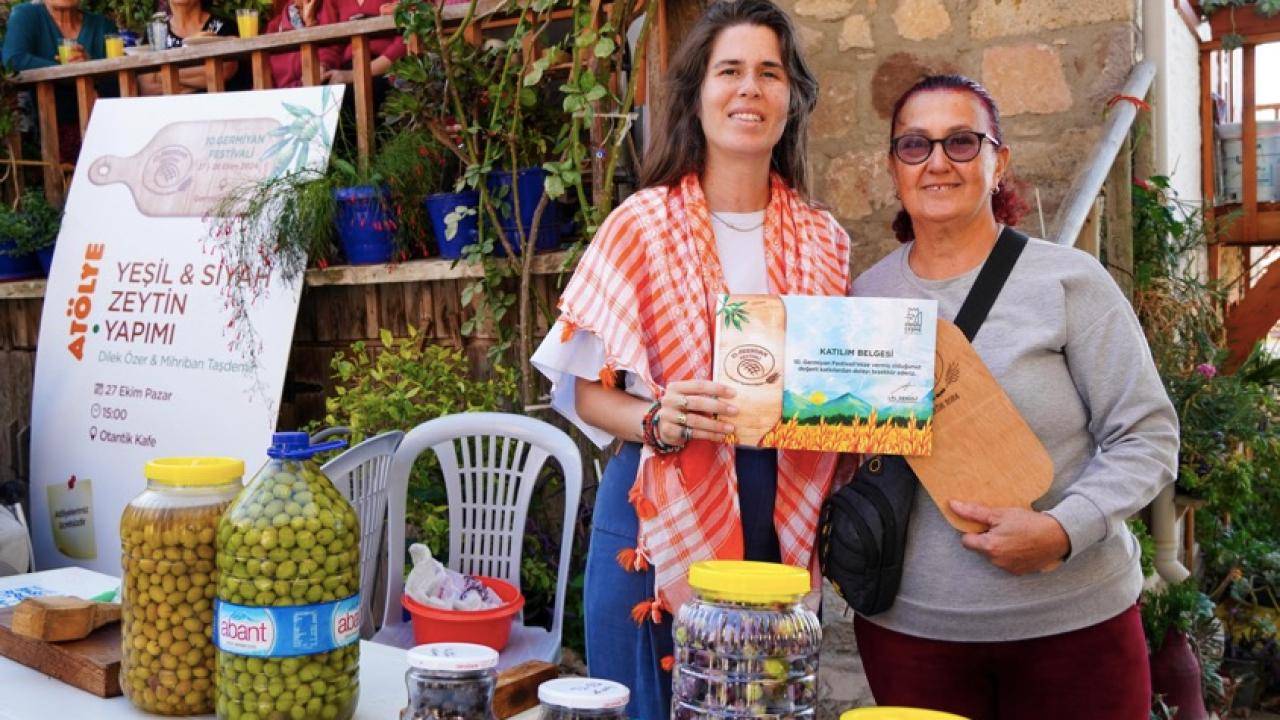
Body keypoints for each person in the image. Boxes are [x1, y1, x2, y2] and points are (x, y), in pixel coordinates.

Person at [531, 2, 848, 718]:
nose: (749, 89)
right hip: (655, 508)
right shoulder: (638, 227)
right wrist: (657, 417)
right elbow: (584, 392)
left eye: (769, 73)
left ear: (792, 98)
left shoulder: (826, 240)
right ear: (697, 94)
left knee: (760, 703)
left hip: (780, 515)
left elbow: (838, 384)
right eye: (728, 70)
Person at [850, 74, 1179, 720]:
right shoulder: (864, 298)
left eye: (961, 141)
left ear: (999, 162)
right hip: (912, 635)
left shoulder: (1068, 281)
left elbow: (1148, 435)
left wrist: (1063, 530)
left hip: (1074, 628)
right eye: (915, 144)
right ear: (893, 168)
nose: (937, 162)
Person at [2, 0, 118, 160]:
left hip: (104, 125)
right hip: (51, 129)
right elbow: (13, 59)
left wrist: (90, 67)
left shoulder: (102, 25)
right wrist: (68, 70)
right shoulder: (27, 16)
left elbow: (118, 80)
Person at [139, 0, 241, 94]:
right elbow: (146, 85)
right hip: (173, 108)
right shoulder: (157, 32)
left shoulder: (224, 27)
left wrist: (159, 75)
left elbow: (223, 69)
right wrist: (200, 76)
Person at [265, 0, 342, 89]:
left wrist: (310, 23)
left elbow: (330, 51)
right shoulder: (275, 26)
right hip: (282, 93)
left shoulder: (327, 10)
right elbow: (267, 73)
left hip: (316, 90)